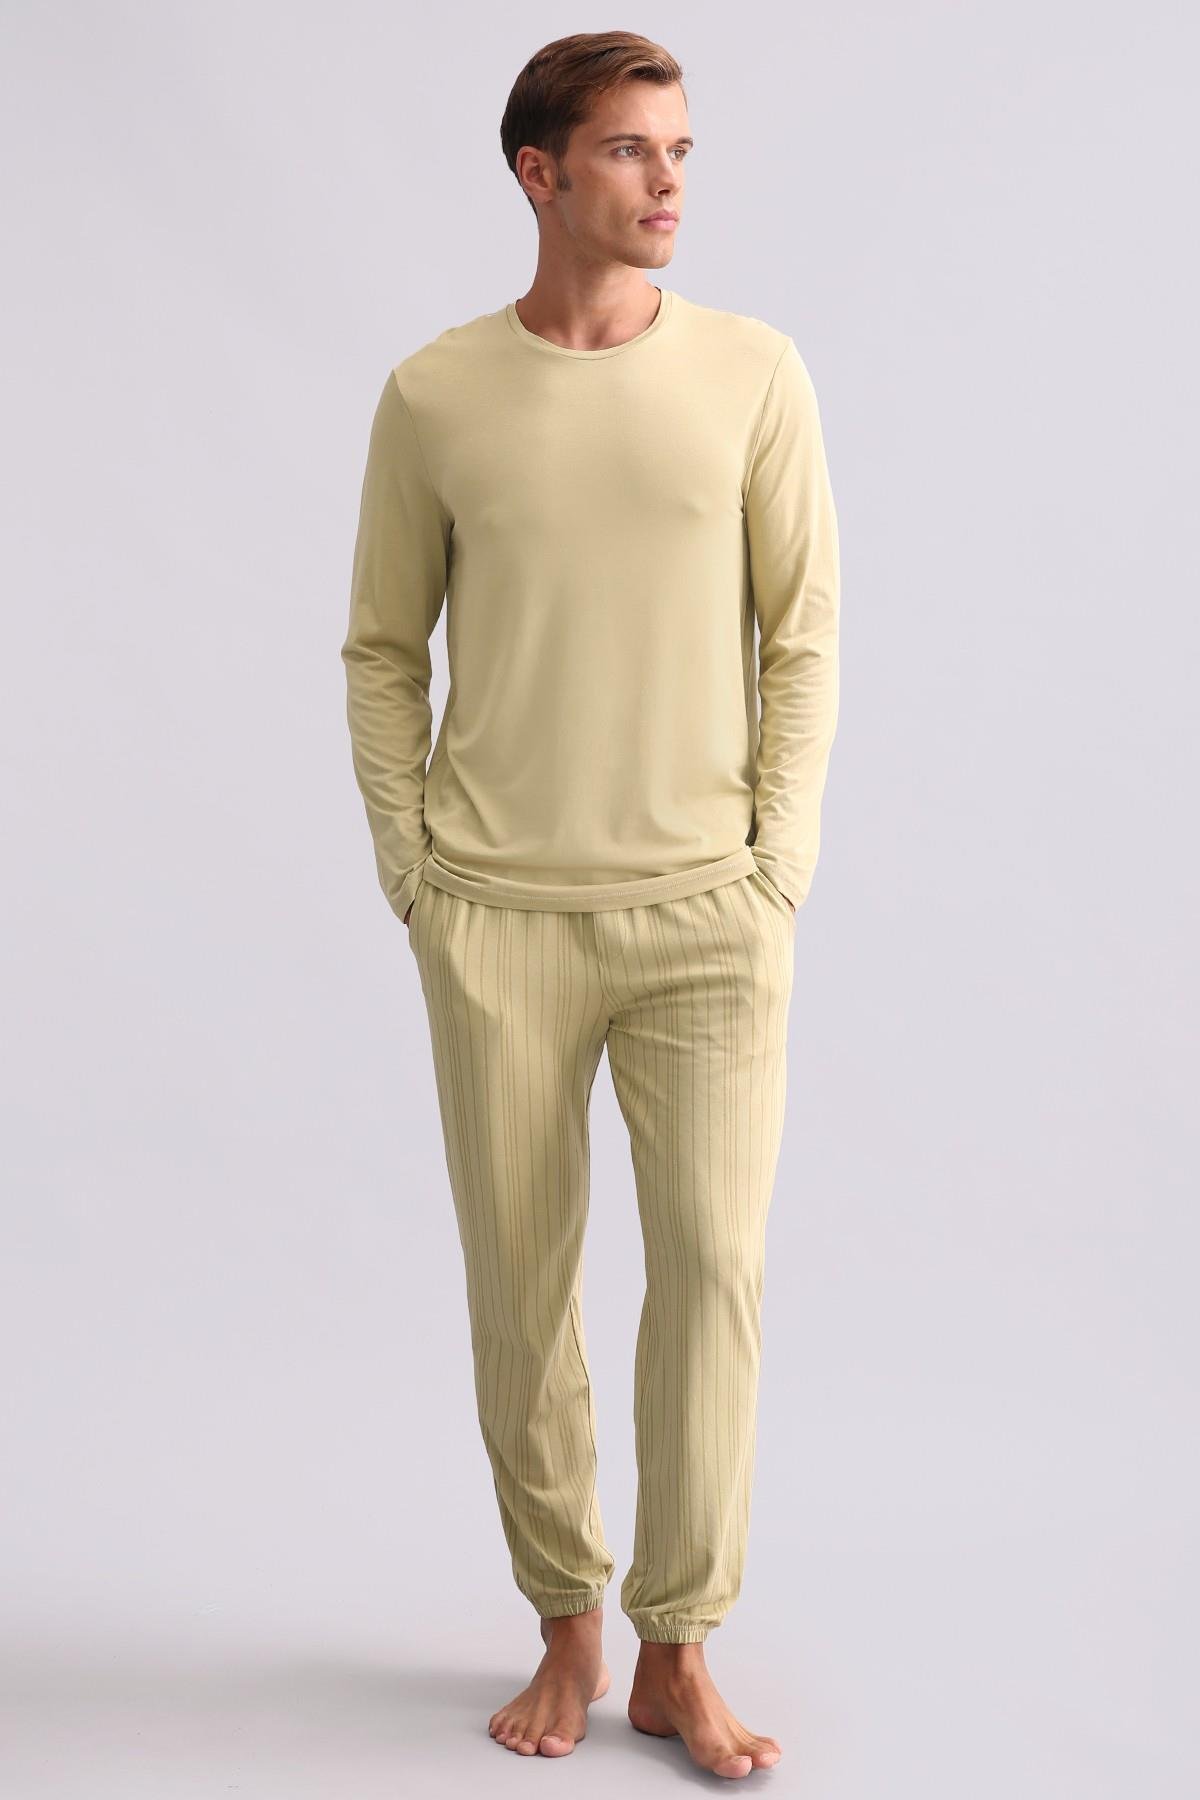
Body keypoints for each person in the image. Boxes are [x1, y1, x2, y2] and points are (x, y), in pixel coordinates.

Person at [340, 28, 840, 1781]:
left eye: (681, 148)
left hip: (709, 916)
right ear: (539, 174)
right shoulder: (435, 395)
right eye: (631, 150)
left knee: (712, 1275)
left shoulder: (756, 373)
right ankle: (567, 1624)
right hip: (496, 916)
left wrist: (776, 867)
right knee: (521, 1285)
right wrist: (415, 871)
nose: (670, 180)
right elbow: (382, 649)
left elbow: (803, 635)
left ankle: (680, 1648)